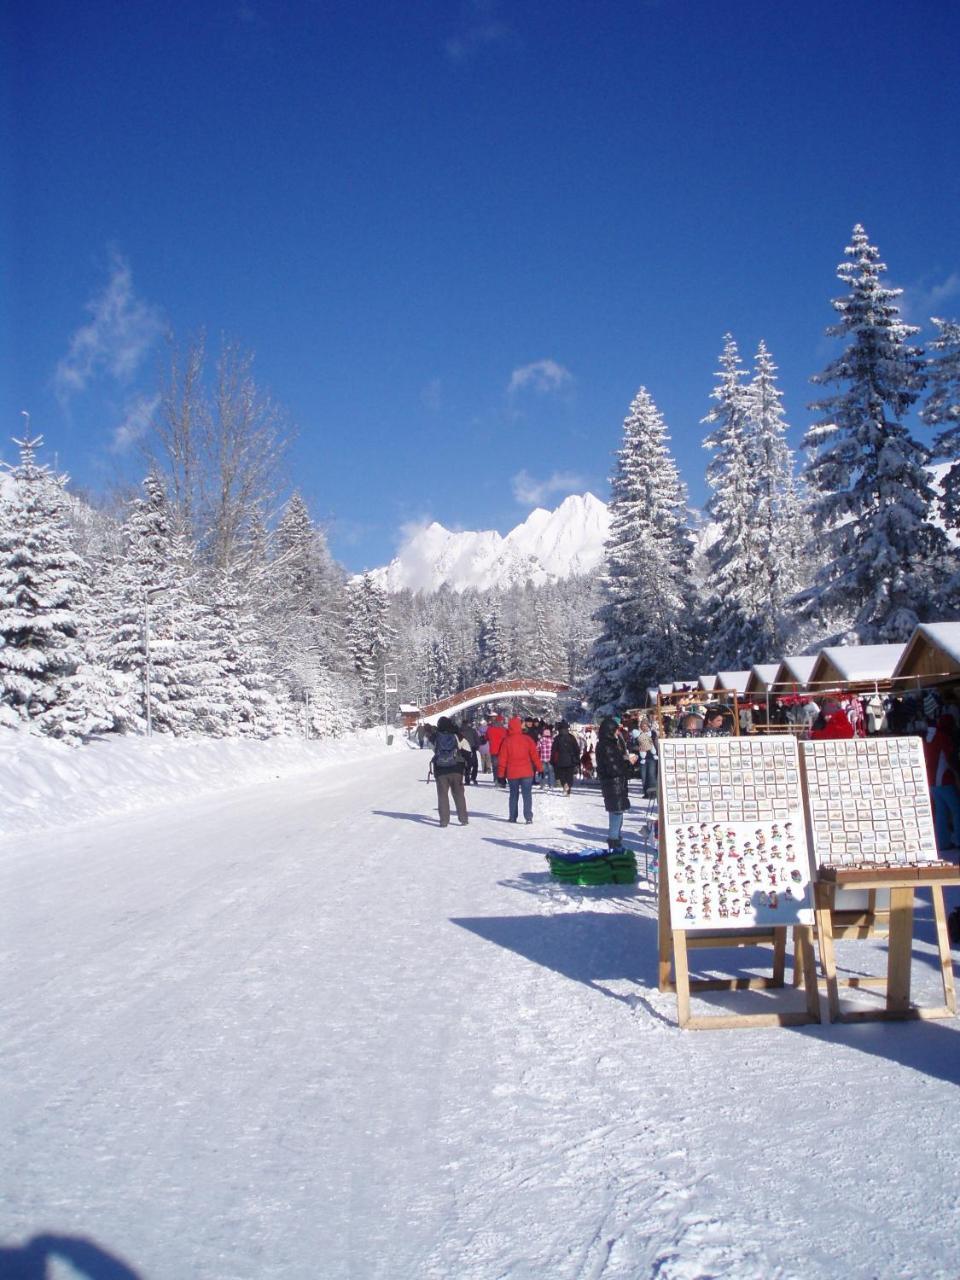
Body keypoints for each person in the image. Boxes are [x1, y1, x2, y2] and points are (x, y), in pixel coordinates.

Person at [596, 715, 638, 849]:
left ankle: (615, 839)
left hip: (614, 783)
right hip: (613, 783)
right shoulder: (608, 746)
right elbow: (614, 768)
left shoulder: (607, 744)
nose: (617, 733)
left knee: (616, 811)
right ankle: (614, 841)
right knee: (617, 811)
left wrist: (625, 762)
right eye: (615, 730)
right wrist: (628, 764)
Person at [497, 715, 543, 823]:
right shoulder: (527, 739)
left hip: (512, 773)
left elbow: (502, 760)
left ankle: (513, 817)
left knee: (513, 795)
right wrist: (540, 768)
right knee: (527, 795)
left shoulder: (506, 741)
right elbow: (534, 756)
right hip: (526, 771)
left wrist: (500, 775)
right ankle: (528, 817)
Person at [924, 714, 960, 853]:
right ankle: (958, 839)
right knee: (957, 810)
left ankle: (943, 842)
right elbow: (949, 758)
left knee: (940, 812)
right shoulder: (943, 738)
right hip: (945, 779)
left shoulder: (928, 737)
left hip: (932, 781)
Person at [431, 716, 470, 827]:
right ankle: (463, 819)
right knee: (459, 794)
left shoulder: (435, 736)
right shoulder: (457, 735)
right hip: (456, 768)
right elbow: (467, 748)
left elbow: (433, 749)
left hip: (440, 770)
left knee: (442, 795)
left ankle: (444, 821)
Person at [551, 721, 580, 795]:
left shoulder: (557, 738)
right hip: (571, 759)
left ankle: (564, 785)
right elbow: (576, 749)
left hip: (560, 759)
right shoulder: (571, 737)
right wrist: (577, 759)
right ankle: (568, 790)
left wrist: (552, 760)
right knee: (569, 775)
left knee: (561, 775)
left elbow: (553, 750)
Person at [486, 714, 508, 786]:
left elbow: (486, 738)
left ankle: (496, 779)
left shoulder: (490, 729)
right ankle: (502, 779)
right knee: (502, 765)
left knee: (495, 766)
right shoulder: (504, 730)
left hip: (493, 750)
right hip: (502, 750)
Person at [459, 720, 480, 785]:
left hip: (462, 749)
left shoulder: (459, 730)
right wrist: (477, 746)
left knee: (465, 765)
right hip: (472, 748)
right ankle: (473, 778)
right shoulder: (472, 730)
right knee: (475, 764)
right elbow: (477, 739)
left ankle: (467, 779)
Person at [537, 724, 555, 789]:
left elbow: (537, 748)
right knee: (551, 772)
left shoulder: (541, 740)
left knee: (542, 772)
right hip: (550, 758)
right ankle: (551, 785)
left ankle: (542, 785)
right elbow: (554, 749)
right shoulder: (552, 740)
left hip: (543, 758)